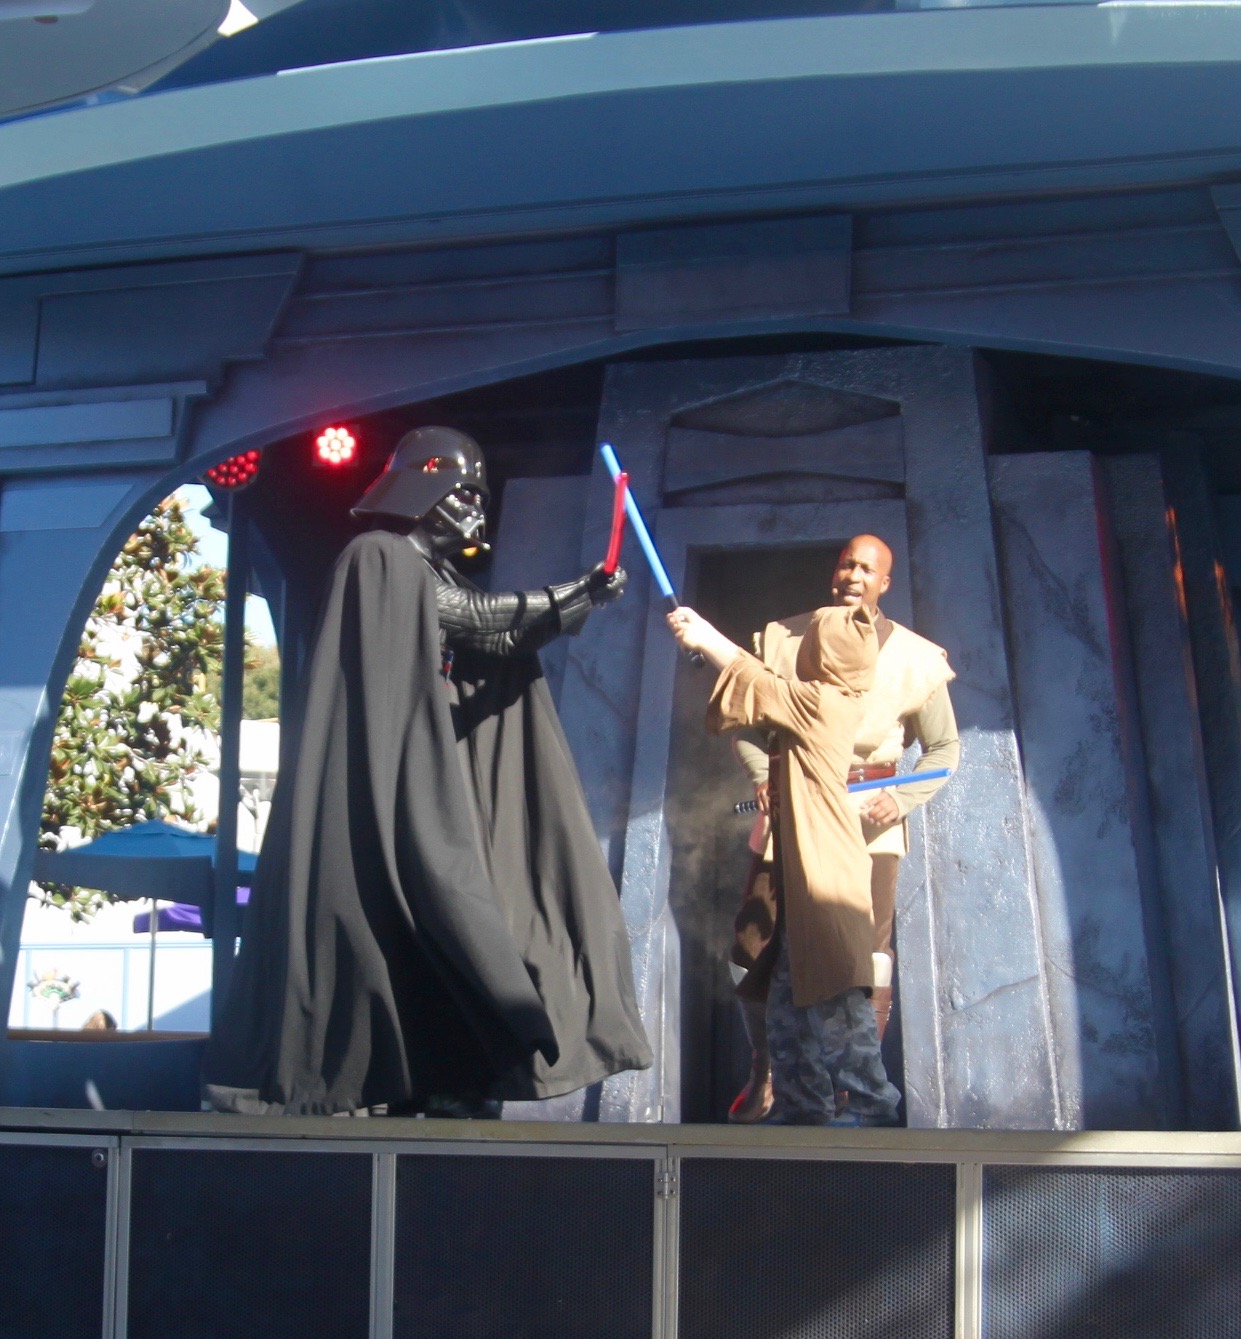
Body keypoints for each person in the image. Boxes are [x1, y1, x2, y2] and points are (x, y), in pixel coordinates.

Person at [205, 427, 652, 1117]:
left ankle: (451, 1071)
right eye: (464, 493)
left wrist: (579, 601)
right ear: (426, 486)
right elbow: (472, 619)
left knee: (465, 914)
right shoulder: (379, 557)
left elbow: (499, 638)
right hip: (387, 791)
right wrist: (573, 592)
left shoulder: (434, 573)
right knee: (434, 907)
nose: (475, 510)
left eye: (480, 497)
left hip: (428, 781)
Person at [727, 535, 958, 1122]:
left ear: (885, 583)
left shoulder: (914, 657)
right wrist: (765, 776)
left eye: (868, 568)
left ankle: (859, 1098)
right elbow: (749, 723)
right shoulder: (782, 640)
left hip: (863, 823)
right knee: (758, 948)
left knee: (856, 955)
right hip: (793, 813)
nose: (854, 574)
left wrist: (899, 798)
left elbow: (943, 749)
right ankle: (775, 1076)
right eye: (846, 564)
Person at [668, 599, 901, 1126]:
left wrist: (703, 633)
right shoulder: (823, 701)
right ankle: (802, 1106)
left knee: (837, 998)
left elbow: (755, 678)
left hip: (826, 874)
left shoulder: (823, 704)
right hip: (808, 869)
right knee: (787, 999)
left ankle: (871, 1108)